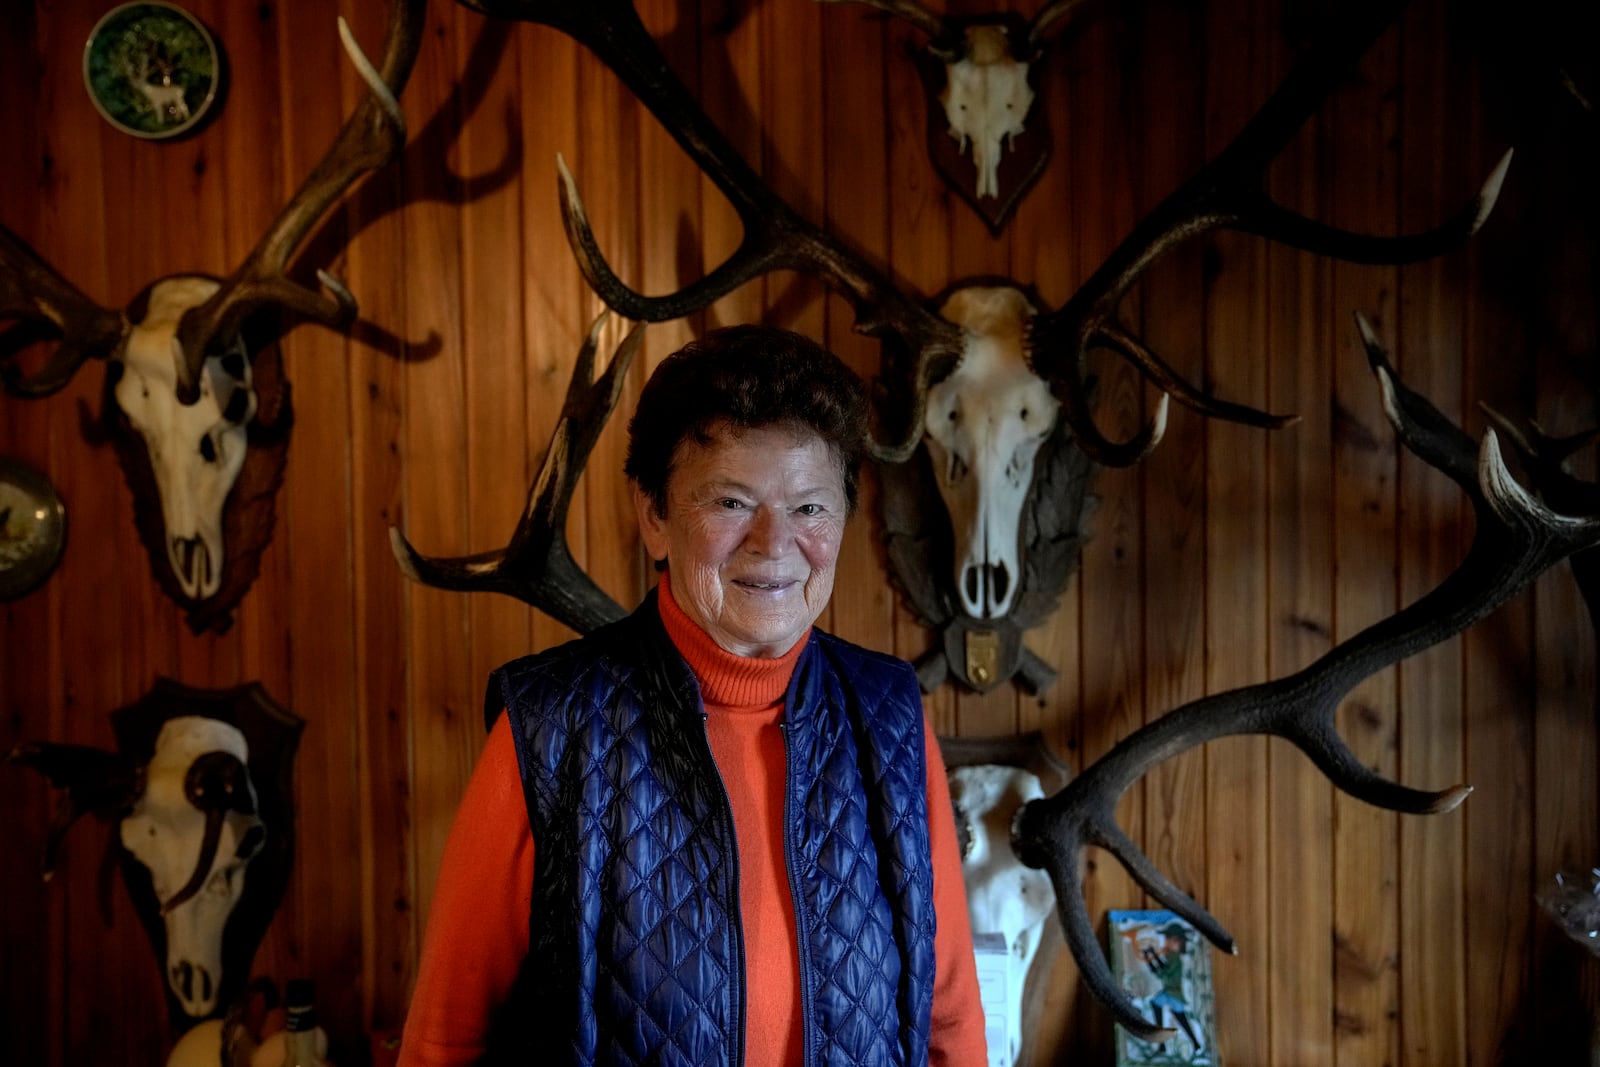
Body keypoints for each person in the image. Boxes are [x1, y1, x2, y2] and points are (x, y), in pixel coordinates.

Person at [397, 324, 988, 1066]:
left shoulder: (890, 715)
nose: (774, 544)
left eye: (810, 507)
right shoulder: (549, 728)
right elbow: (443, 1041)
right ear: (655, 516)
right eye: (732, 502)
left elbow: (951, 1024)